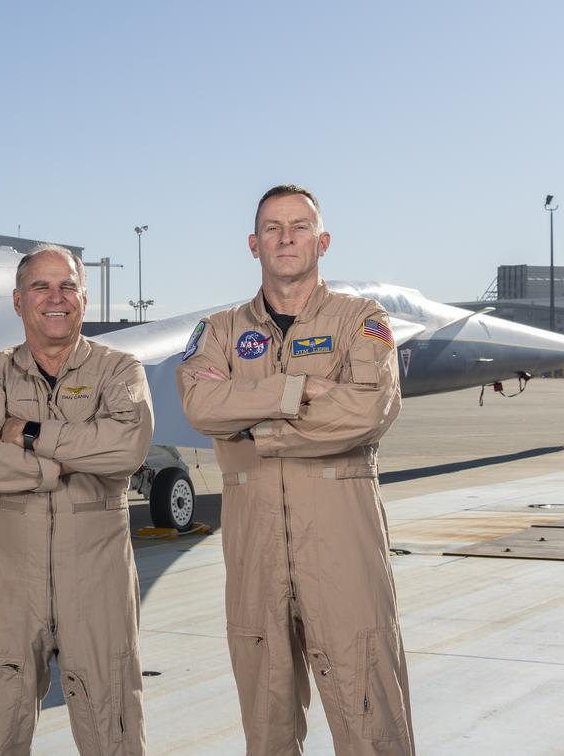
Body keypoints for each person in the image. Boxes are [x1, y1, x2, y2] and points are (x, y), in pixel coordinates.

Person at [177, 185, 414, 755]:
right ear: (254, 244)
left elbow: (369, 410)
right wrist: (301, 391)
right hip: (254, 557)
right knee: (266, 723)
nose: (286, 238)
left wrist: (254, 420)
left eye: (299, 226)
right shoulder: (219, 330)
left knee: (369, 717)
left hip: (343, 554)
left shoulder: (361, 319)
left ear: (322, 241)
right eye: (274, 228)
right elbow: (200, 407)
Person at [0, 244, 154, 755]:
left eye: (67, 286)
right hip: (7, 589)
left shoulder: (119, 369)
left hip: (97, 584)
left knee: (115, 732)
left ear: (84, 298)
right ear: (18, 302)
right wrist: (59, 464)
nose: (55, 298)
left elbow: (126, 448)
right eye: (40, 287)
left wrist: (29, 434)